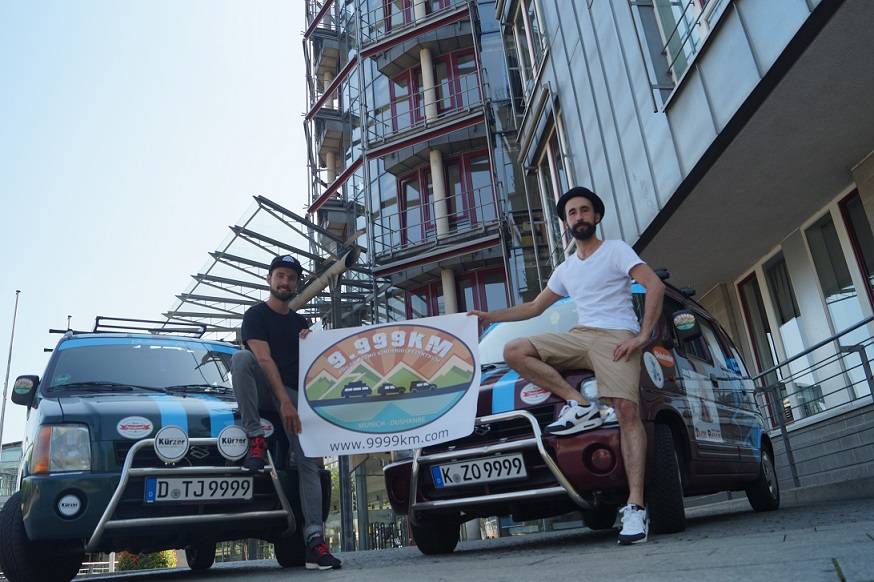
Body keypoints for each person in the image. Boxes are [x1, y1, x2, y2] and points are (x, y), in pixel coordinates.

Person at [468, 186, 665, 545]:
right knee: (515, 349)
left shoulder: (616, 250)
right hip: (578, 335)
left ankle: (635, 507)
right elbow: (533, 309)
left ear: (596, 216)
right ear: (565, 223)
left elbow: (653, 285)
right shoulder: (566, 268)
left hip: (615, 335)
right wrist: (489, 315)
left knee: (626, 411)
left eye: (584, 210)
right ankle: (579, 403)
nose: (579, 217)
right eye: (572, 213)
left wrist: (642, 336)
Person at [231, 254, 342, 570]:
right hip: (269, 391)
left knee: (309, 463)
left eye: (291, 278)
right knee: (241, 360)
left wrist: (312, 343)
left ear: (297, 284)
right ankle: (255, 438)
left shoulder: (300, 323)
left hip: (295, 394)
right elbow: (264, 361)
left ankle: (314, 541)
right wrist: (285, 403)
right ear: (269, 279)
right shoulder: (254, 315)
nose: (285, 282)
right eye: (280, 275)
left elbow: (312, 367)